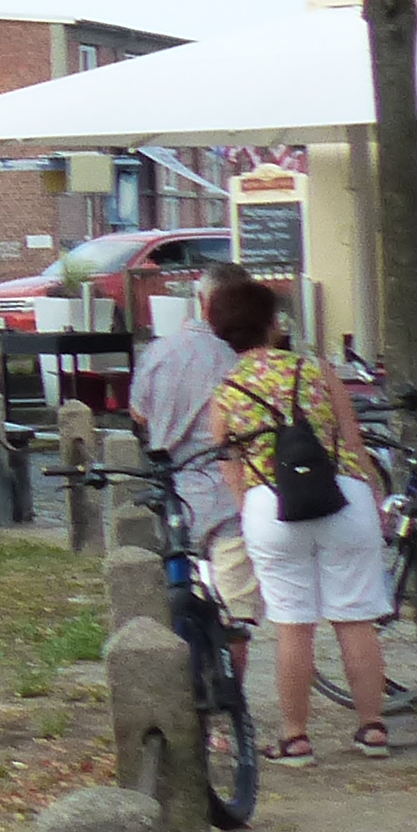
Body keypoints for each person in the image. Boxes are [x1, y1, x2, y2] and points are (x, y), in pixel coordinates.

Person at [209, 273, 392, 762]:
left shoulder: (226, 391)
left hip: (272, 505)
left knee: (292, 624)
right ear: (273, 323)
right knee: (355, 617)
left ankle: (295, 737)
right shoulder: (316, 371)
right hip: (341, 495)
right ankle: (372, 728)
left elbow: (228, 462)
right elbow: (351, 438)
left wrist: (248, 508)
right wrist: (374, 493)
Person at [128, 259, 258, 621]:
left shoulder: (158, 352)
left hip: (176, 495)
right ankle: (231, 657)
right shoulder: (244, 360)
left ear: (201, 300)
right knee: (236, 613)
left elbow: (138, 413)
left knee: (181, 600)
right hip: (231, 496)